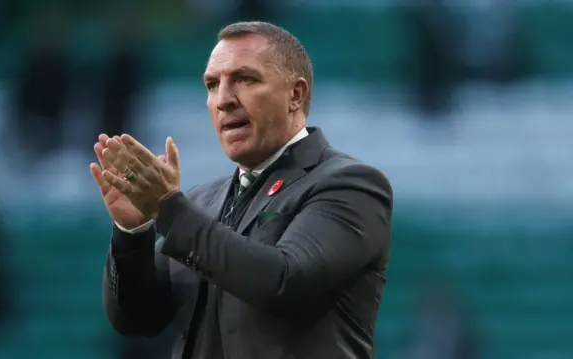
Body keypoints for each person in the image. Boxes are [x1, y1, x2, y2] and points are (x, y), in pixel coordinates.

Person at [91, 21, 393, 359]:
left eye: (244, 79)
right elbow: (138, 319)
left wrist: (168, 209)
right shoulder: (201, 201)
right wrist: (133, 230)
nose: (223, 100)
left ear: (296, 95)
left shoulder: (350, 185)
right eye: (212, 84)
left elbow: (283, 281)